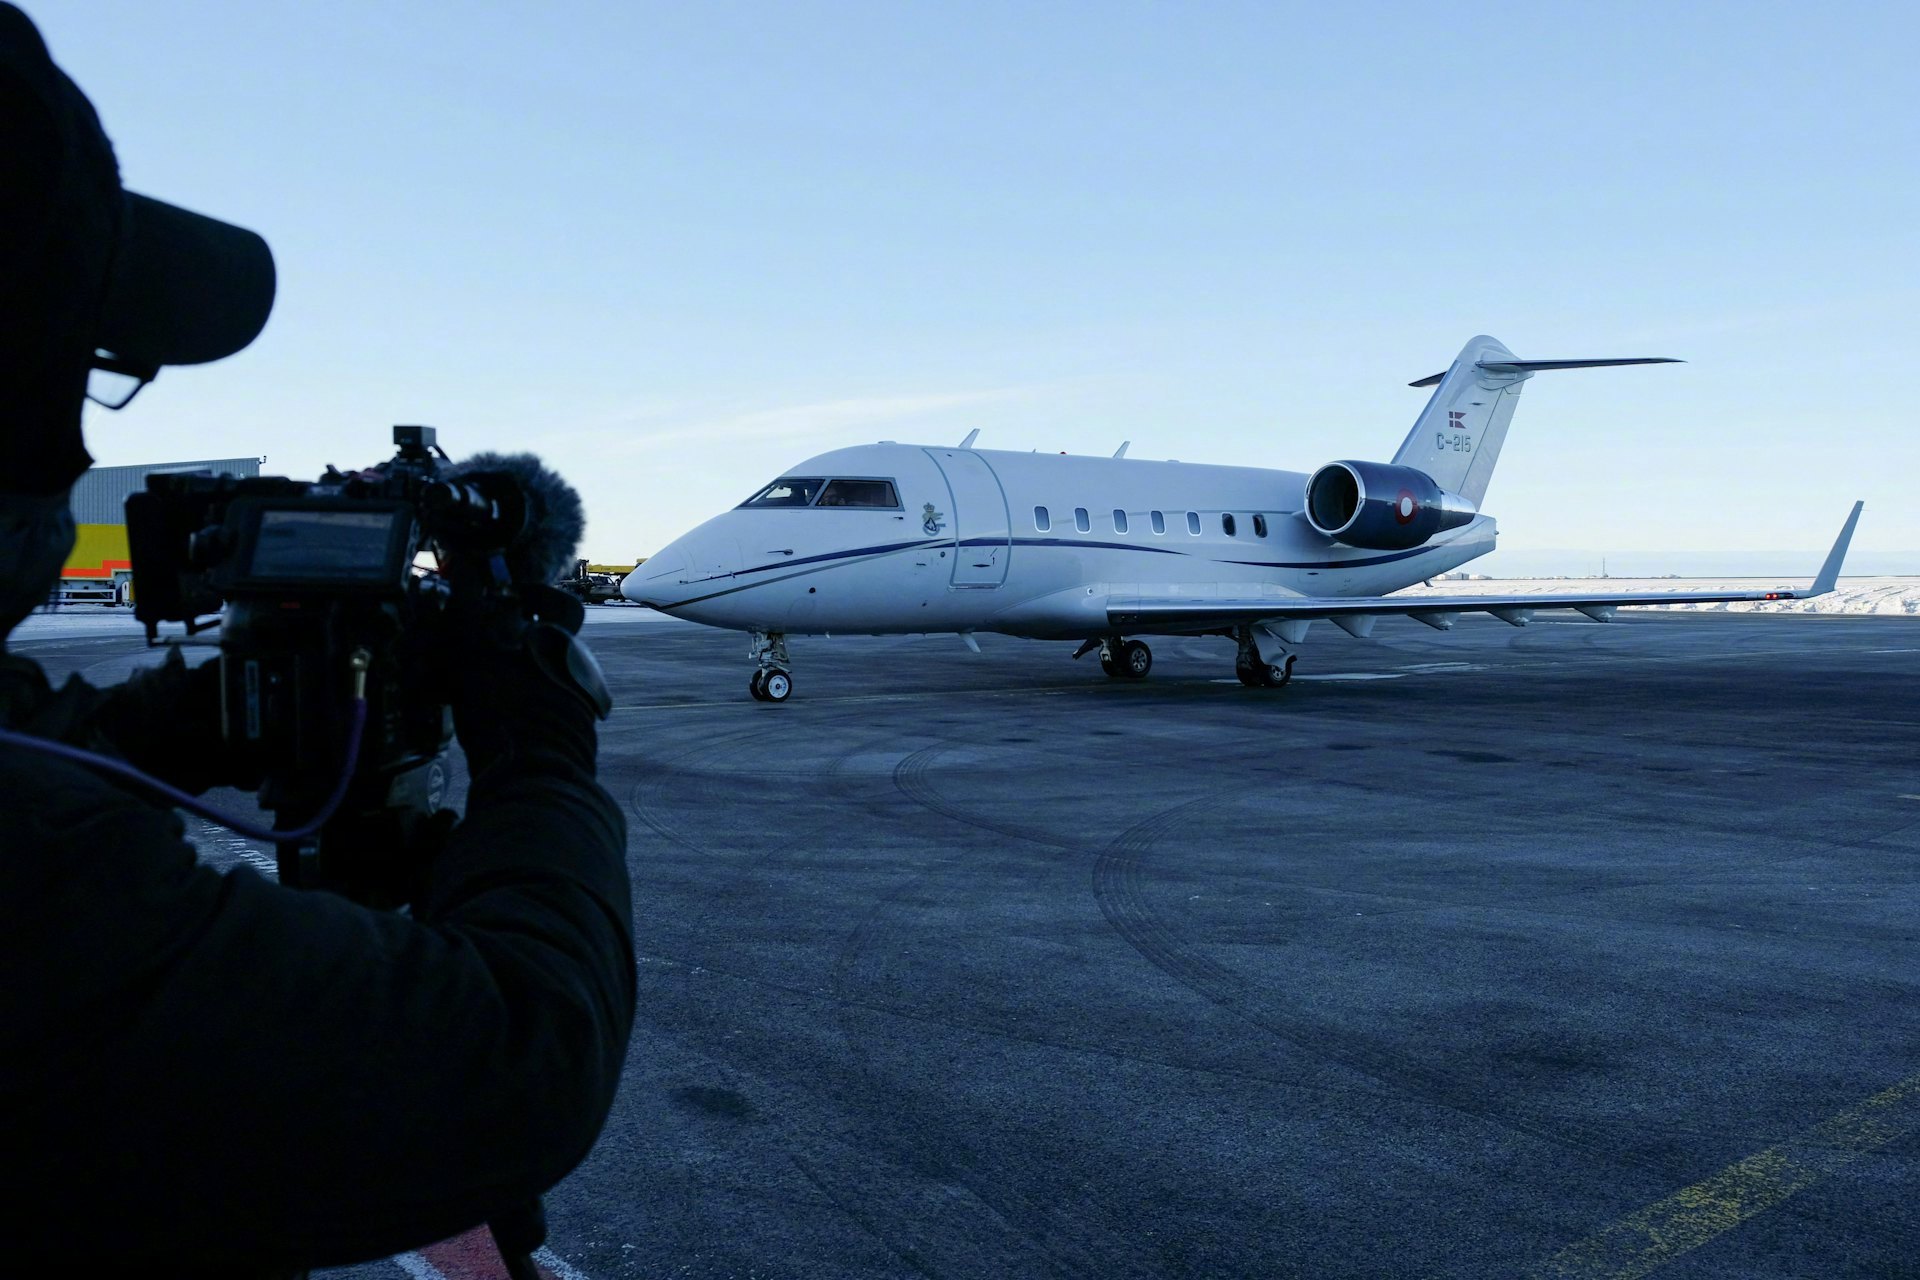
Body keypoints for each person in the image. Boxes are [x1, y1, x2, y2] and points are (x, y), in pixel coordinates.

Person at [0, 6, 635, 1273]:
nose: (76, 449)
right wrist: (542, 753)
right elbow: (515, 1063)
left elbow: (29, 741)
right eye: (72, 366)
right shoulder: (41, 888)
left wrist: (193, 714)